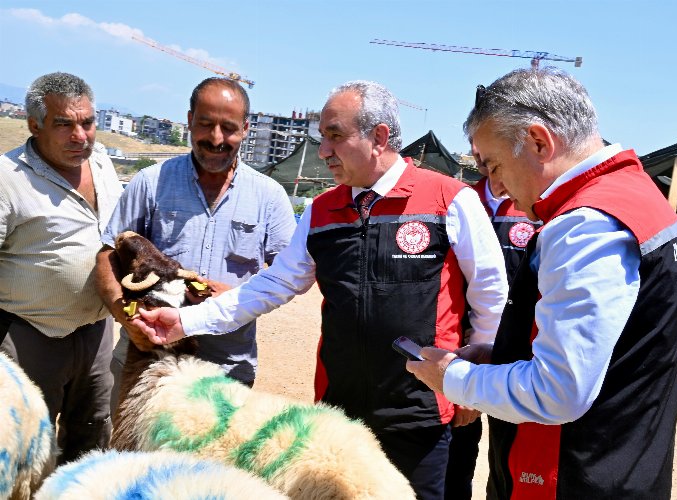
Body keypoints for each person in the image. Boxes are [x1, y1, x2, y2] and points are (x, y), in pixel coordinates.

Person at [129, 80, 509, 499]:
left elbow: (490, 292)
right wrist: (184, 321)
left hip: (419, 412)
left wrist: (473, 383)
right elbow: (271, 285)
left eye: (335, 136)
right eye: (321, 137)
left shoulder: (449, 199)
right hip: (337, 420)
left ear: (379, 137)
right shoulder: (322, 210)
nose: (323, 150)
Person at [407, 67, 677, 499]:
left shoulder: (586, 226)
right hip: (621, 469)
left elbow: (559, 391)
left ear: (540, 142)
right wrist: (504, 353)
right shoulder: (633, 194)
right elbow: (616, 347)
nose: (496, 187)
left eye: (496, 165)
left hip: (566, 477)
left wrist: (453, 378)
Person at [94, 77, 296, 410]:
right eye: (206, 124)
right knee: (134, 458)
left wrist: (237, 297)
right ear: (189, 121)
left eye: (229, 128)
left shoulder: (269, 197)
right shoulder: (150, 183)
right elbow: (107, 256)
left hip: (226, 369)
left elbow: (290, 274)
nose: (216, 138)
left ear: (246, 129)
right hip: (149, 363)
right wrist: (125, 315)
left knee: (214, 460)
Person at [0, 72, 123, 464]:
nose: (80, 136)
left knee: (92, 437)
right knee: (24, 444)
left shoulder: (102, 162)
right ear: (34, 125)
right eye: (64, 124)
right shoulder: (6, 178)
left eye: (87, 123)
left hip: (96, 332)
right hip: (28, 336)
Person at [444, 145, 542, 500]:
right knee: (458, 450)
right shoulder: (460, 201)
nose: (481, 156)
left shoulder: (536, 205)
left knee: (509, 454)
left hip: (519, 358)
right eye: (475, 149)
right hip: (466, 350)